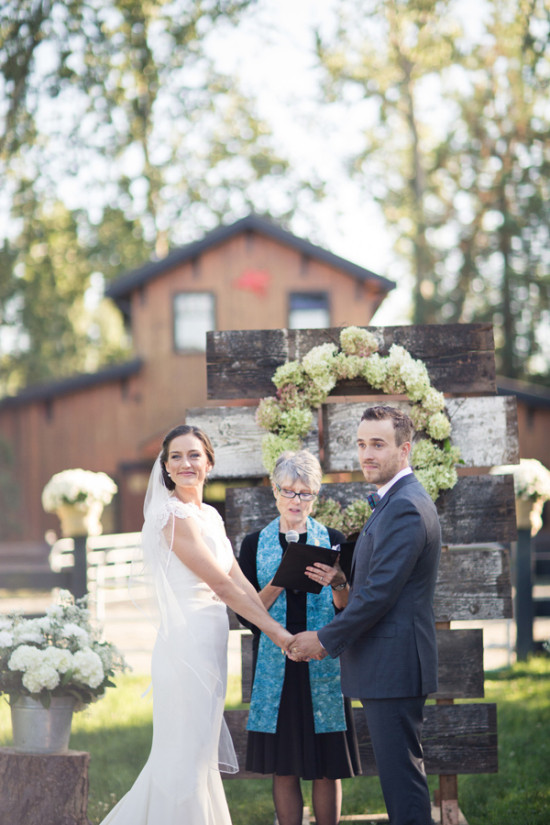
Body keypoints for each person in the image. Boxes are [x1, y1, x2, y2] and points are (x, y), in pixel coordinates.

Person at [100, 424, 293, 825]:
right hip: (185, 646)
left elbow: (240, 583)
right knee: (182, 754)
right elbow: (220, 585)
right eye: (176, 456)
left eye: (193, 455)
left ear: (209, 462)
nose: (185, 463)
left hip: (210, 641)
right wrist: (279, 635)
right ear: (166, 468)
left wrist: (276, 612)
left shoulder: (209, 516)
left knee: (199, 750)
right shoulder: (170, 514)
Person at [289, 406, 441, 825]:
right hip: (387, 666)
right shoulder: (392, 501)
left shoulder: (406, 506)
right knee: (399, 780)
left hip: (395, 666)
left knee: (403, 785)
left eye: (378, 444)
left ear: (404, 449)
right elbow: (377, 585)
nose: (367, 454)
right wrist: (341, 580)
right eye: (361, 444)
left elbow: (378, 597)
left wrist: (323, 639)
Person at [237, 450, 361, 825]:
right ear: (274, 492)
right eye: (288, 491)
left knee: (326, 767)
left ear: (315, 495)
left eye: (305, 493)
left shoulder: (333, 540)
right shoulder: (254, 544)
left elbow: (345, 611)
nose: (296, 501)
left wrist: (339, 582)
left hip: (323, 661)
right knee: (285, 767)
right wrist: (279, 576)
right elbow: (247, 614)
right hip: (277, 668)